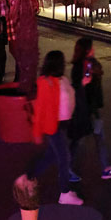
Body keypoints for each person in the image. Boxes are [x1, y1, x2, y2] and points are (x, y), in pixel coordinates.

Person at [16, 50, 82, 205]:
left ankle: (27, 177)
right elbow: (40, 109)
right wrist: (37, 132)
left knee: (51, 156)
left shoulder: (62, 79)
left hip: (63, 125)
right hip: (53, 128)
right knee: (64, 158)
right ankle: (64, 193)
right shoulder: (46, 82)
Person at [68, 37, 111, 181]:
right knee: (80, 140)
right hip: (86, 110)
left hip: (91, 109)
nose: (94, 49)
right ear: (87, 50)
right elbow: (75, 89)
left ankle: (105, 168)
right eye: (91, 47)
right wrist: (82, 83)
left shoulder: (89, 64)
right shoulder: (80, 67)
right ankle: (68, 169)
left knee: (90, 139)